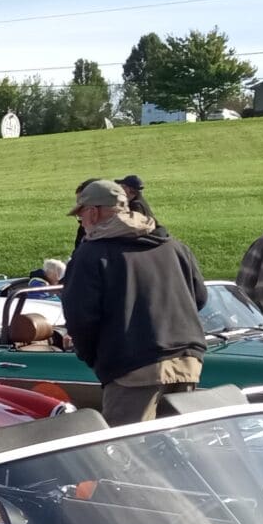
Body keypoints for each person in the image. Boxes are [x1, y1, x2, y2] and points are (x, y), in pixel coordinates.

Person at [62, 179, 207, 426]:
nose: (82, 223)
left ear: (93, 212)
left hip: (132, 368)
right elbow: (200, 298)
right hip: (187, 360)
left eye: (81, 216)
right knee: (181, 447)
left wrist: (96, 359)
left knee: (128, 452)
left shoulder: (91, 254)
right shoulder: (173, 246)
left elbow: (80, 318)